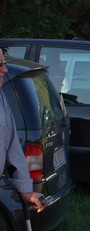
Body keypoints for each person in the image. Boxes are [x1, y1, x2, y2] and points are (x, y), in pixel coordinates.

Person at [0, 51, 46, 212]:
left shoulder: (1, 99)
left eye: (4, 63)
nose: (5, 70)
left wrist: (27, 191)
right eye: (0, 64)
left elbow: (12, 146)